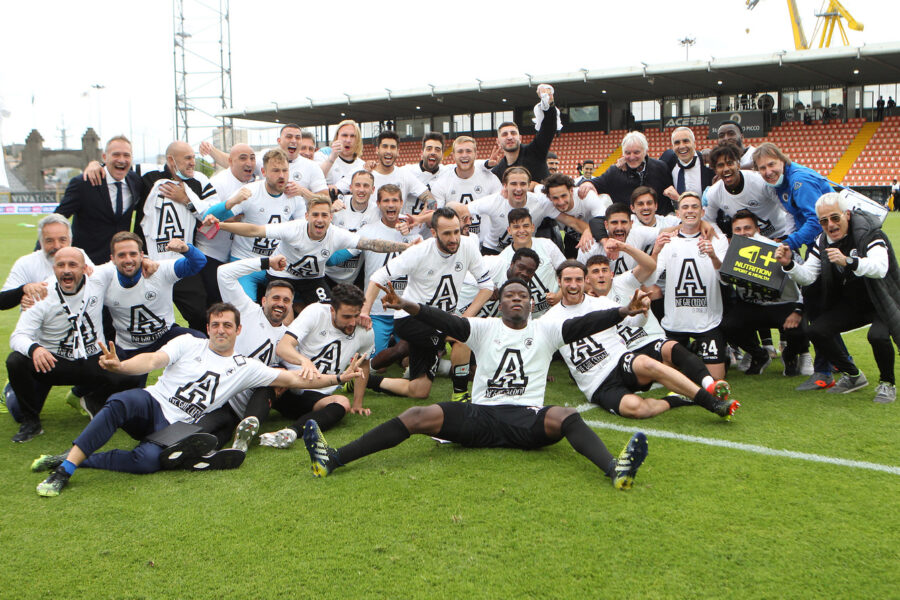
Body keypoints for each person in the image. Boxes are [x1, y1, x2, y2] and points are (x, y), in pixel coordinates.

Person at [301, 278, 651, 491]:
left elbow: (587, 322)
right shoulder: (485, 328)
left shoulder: (547, 329)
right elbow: (443, 319)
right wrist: (406, 304)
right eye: (509, 295)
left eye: (522, 295)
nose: (516, 298)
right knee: (417, 414)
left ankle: (615, 469)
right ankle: (332, 458)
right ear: (500, 304)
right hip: (480, 416)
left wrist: (623, 311)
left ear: (531, 304)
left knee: (565, 414)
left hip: (526, 419)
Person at [30, 302, 365, 497]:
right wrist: (121, 366)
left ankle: (69, 457)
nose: (221, 330)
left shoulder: (247, 366)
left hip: (177, 425)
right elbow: (151, 362)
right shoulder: (189, 343)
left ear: (238, 330)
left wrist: (338, 378)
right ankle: (64, 472)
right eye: (215, 324)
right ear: (208, 327)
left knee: (147, 463)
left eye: (227, 325)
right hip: (153, 403)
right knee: (119, 403)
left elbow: (293, 378)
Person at [545, 260, 738, 420]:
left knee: (647, 363)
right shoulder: (549, 319)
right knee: (638, 409)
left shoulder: (601, 303)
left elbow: (634, 321)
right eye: (567, 280)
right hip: (596, 383)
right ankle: (678, 399)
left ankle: (713, 403)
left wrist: (644, 310)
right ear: (559, 282)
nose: (573, 285)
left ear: (585, 280)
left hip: (619, 361)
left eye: (578, 279)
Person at [775, 193, 900, 403]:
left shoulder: (870, 234)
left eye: (835, 218)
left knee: (877, 336)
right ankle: (852, 375)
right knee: (817, 330)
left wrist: (849, 262)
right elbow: (807, 276)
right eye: (824, 221)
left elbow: (880, 268)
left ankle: (887, 383)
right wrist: (789, 265)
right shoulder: (822, 241)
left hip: (882, 300)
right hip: (854, 304)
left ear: (847, 215)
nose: (830, 225)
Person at [7, 247, 141, 442]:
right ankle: (31, 422)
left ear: (85, 268)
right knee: (16, 361)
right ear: (54, 269)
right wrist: (35, 348)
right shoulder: (41, 294)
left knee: (134, 373)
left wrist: (147, 262)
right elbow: (18, 336)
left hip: (92, 358)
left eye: (72, 265)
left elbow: (125, 261)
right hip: (52, 362)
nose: (66, 270)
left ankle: (92, 399)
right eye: (61, 265)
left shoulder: (97, 279)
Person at [360, 207, 493, 400]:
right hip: (410, 318)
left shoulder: (468, 246)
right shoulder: (420, 251)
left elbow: (487, 286)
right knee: (461, 335)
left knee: (418, 390)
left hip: (441, 321)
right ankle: (461, 395)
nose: (454, 238)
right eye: (447, 233)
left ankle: (361, 380)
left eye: (456, 231)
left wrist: (464, 317)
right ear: (433, 233)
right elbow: (378, 276)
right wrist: (365, 311)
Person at [205, 196, 412, 311]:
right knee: (282, 313)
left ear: (331, 217)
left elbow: (372, 244)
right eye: (315, 215)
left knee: (328, 311)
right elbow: (254, 230)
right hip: (283, 275)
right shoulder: (293, 228)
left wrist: (405, 248)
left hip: (313, 279)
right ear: (307, 216)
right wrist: (221, 225)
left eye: (324, 215)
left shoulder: (337, 234)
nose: (320, 220)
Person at [260, 283, 375, 448]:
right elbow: (283, 347)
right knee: (269, 375)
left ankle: (290, 433)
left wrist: (357, 403)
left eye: (356, 315)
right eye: (346, 316)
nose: (352, 322)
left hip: (317, 398)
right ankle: (245, 423)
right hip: (289, 386)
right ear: (332, 310)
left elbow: (364, 363)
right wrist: (303, 361)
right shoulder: (316, 313)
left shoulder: (365, 331)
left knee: (342, 403)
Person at [91, 232, 206, 377]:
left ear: (141, 255)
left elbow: (198, 262)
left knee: (199, 343)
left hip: (165, 336)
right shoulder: (104, 279)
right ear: (112, 259)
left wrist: (186, 248)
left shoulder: (160, 270)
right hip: (129, 346)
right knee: (115, 376)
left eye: (133, 254)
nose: (128, 260)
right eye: (121, 255)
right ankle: (81, 392)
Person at [204, 148, 305, 299]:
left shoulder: (294, 194)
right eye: (276, 171)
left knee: (289, 306)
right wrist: (231, 202)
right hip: (245, 260)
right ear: (263, 172)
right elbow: (208, 217)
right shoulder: (250, 192)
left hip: (276, 263)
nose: (282, 176)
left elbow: (302, 230)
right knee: (246, 308)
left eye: (285, 170)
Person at [720, 210, 811, 376]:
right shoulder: (729, 251)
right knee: (727, 325)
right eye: (738, 230)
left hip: (783, 305)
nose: (743, 233)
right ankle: (759, 355)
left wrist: (799, 310)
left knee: (798, 329)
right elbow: (724, 281)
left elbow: (808, 279)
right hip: (752, 305)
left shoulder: (778, 248)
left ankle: (790, 355)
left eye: (747, 228)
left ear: (758, 230)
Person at [651, 192, 729, 380]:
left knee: (716, 381)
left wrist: (713, 257)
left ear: (702, 212)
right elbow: (650, 277)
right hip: (675, 322)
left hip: (707, 321)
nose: (690, 211)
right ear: (678, 213)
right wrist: (655, 252)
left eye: (694, 207)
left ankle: (697, 354)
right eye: (685, 207)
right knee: (670, 379)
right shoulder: (667, 240)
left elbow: (725, 279)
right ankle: (690, 355)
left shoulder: (717, 239)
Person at [55, 136, 140, 265]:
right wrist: (39, 255)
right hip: (88, 265)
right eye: (116, 154)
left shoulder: (135, 181)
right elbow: (57, 220)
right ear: (105, 157)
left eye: (126, 155)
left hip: (121, 265)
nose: (122, 160)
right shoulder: (83, 183)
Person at [469, 167, 588, 255]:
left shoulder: (541, 203)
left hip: (526, 251)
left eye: (522, 184)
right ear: (505, 185)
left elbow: (573, 222)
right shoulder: (493, 201)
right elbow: (463, 210)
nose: (518, 189)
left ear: (529, 185)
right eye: (513, 184)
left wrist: (588, 231)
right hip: (494, 250)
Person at [197, 143, 257, 304]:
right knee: (214, 302)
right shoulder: (218, 183)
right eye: (242, 158)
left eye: (252, 158)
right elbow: (205, 217)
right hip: (211, 253)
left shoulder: (254, 182)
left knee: (233, 304)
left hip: (236, 255)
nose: (249, 163)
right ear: (230, 161)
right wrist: (232, 218)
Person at [0, 214, 93, 311]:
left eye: (62, 240)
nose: (57, 246)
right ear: (40, 242)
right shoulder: (26, 262)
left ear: (70, 240)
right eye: (49, 241)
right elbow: (2, 301)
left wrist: (89, 278)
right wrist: (24, 290)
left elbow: (97, 290)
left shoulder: (80, 256)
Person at [704, 143, 795, 240]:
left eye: (730, 163)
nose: (726, 169)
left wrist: (787, 237)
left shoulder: (760, 181)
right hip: (749, 243)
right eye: (720, 165)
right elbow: (708, 220)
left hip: (780, 234)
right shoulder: (713, 193)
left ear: (738, 164)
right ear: (715, 170)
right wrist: (723, 240)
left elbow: (790, 210)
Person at [578, 131, 678, 214]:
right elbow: (596, 183)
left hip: (659, 225)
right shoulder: (615, 172)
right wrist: (587, 183)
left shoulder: (660, 167)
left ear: (645, 151)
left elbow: (673, 193)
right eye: (627, 153)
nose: (632, 157)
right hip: (630, 228)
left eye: (636, 152)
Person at [487, 84, 560, 187]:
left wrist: (549, 104)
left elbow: (548, 128)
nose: (509, 137)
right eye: (504, 134)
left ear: (520, 138)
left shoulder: (535, 151)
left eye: (513, 133)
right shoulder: (498, 170)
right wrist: (486, 168)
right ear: (498, 141)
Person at [429, 136, 502, 240]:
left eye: (468, 151)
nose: (464, 155)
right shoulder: (442, 182)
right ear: (453, 155)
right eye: (460, 151)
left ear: (476, 154)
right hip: (454, 243)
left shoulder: (490, 178)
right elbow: (436, 215)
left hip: (485, 243)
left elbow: (500, 208)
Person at [498, 209, 565, 317]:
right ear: (509, 230)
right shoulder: (502, 259)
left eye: (525, 226)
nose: (521, 230)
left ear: (532, 227)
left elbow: (566, 272)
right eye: (516, 227)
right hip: (528, 320)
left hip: (556, 311)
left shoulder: (547, 245)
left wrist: (559, 296)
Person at [540, 172, 609, 258]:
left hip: (597, 236)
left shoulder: (585, 196)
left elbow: (604, 218)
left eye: (564, 196)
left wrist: (589, 230)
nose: (561, 202)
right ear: (549, 197)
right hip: (572, 239)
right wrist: (588, 229)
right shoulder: (547, 204)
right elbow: (533, 186)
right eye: (555, 198)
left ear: (571, 191)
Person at [659, 127, 714, 196]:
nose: (681, 146)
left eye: (686, 141)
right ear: (673, 147)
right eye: (677, 143)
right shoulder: (669, 161)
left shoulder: (706, 162)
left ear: (694, 144)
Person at [315, 119, 366, 188]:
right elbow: (314, 178)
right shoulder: (323, 155)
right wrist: (332, 158)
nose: (348, 140)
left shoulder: (362, 166)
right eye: (344, 135)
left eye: (353, 136)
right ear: (337, 137)